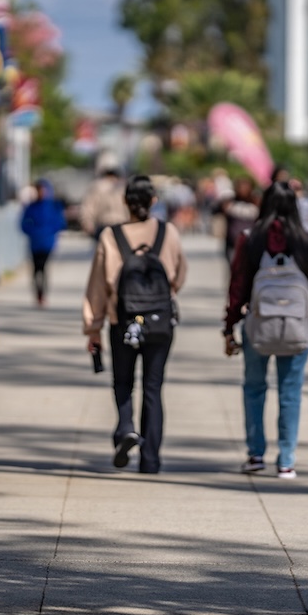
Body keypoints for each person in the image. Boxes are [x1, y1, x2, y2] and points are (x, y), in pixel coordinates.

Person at [223, 181, 308, 480]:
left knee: (254, 388)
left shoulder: (251, 239)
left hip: (257, 326)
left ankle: (256, 455)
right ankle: (286, 460)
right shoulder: (307, 241)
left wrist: (229, 326)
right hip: (298, 327)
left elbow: (238, 287)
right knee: (290, 392)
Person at [83, 175, 187, 474]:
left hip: (122, 321)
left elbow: (97, 287)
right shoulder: (169, 232)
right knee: (153, 387)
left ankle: (126, 428)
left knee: (123, 382)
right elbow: (179, 275)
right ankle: (151, 459)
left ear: (125, 202)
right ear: (154, 200)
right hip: (159, 322)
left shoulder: (109, 236)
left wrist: (93, 327)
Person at [20, 178, 67, 307]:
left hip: (47, 243)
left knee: (43, 268)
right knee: (36, 269)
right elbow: (23, 224)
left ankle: (43, 293)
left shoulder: (53, 206)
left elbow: (60, 223)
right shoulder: (31, 206)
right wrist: (33, 231)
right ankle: (38, 293)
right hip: (35, 243)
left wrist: (49, 232)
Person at [218, 175, 261, 265]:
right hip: (233, 244)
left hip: (250, 243)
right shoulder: (230, 202)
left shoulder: (256, 202)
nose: (243, 189)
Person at [79, 167, 128, 240]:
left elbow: (88, 207)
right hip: (123, 226)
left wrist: (87, 224)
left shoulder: (97, 186)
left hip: (104, 226)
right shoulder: (123, 186)